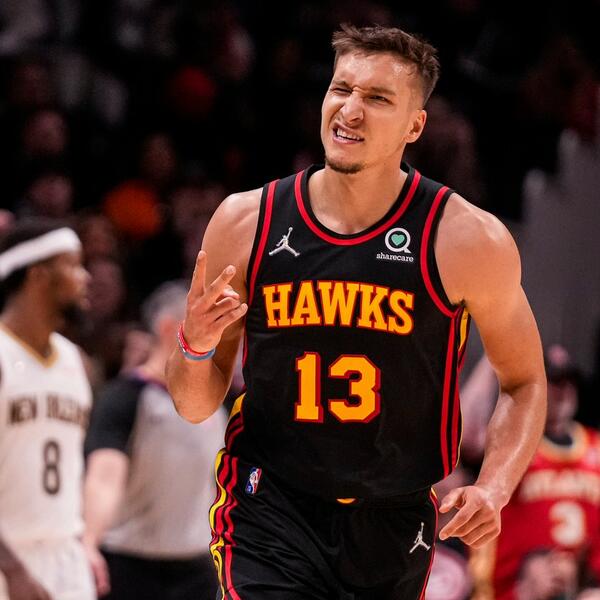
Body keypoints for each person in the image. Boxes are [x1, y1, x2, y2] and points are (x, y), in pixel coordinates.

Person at [166, 24, 547, 599]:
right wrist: (194, 345)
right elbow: (194, 404)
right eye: (340, 89)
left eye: (377, 97)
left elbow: (524, 382)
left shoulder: (467, 239)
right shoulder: (246, 222)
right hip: (271, 503)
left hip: (394, 517)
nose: (349, 110)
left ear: (415, 125)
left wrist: (494, 486)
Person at [84, 281, 225, 599]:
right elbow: (104, 477)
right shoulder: (125, 397)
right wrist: (89, 541)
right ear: (169, 328)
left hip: (198, 569)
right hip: (129, 566)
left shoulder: (219, 403)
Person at [0, 220, 94, 600]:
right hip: (9, 556)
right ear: (38, 275)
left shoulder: (75, 360)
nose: (85, 277)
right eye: (73, 265)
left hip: (66, 554)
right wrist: (11, 569)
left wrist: (84, 542)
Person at [469, 346, 600, 600]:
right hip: (509, 592)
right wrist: (494, 351)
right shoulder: (509, 444)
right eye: (554, 380)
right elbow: (469, 434)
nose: (564, 390)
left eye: (570, 380)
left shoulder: (596, 446)